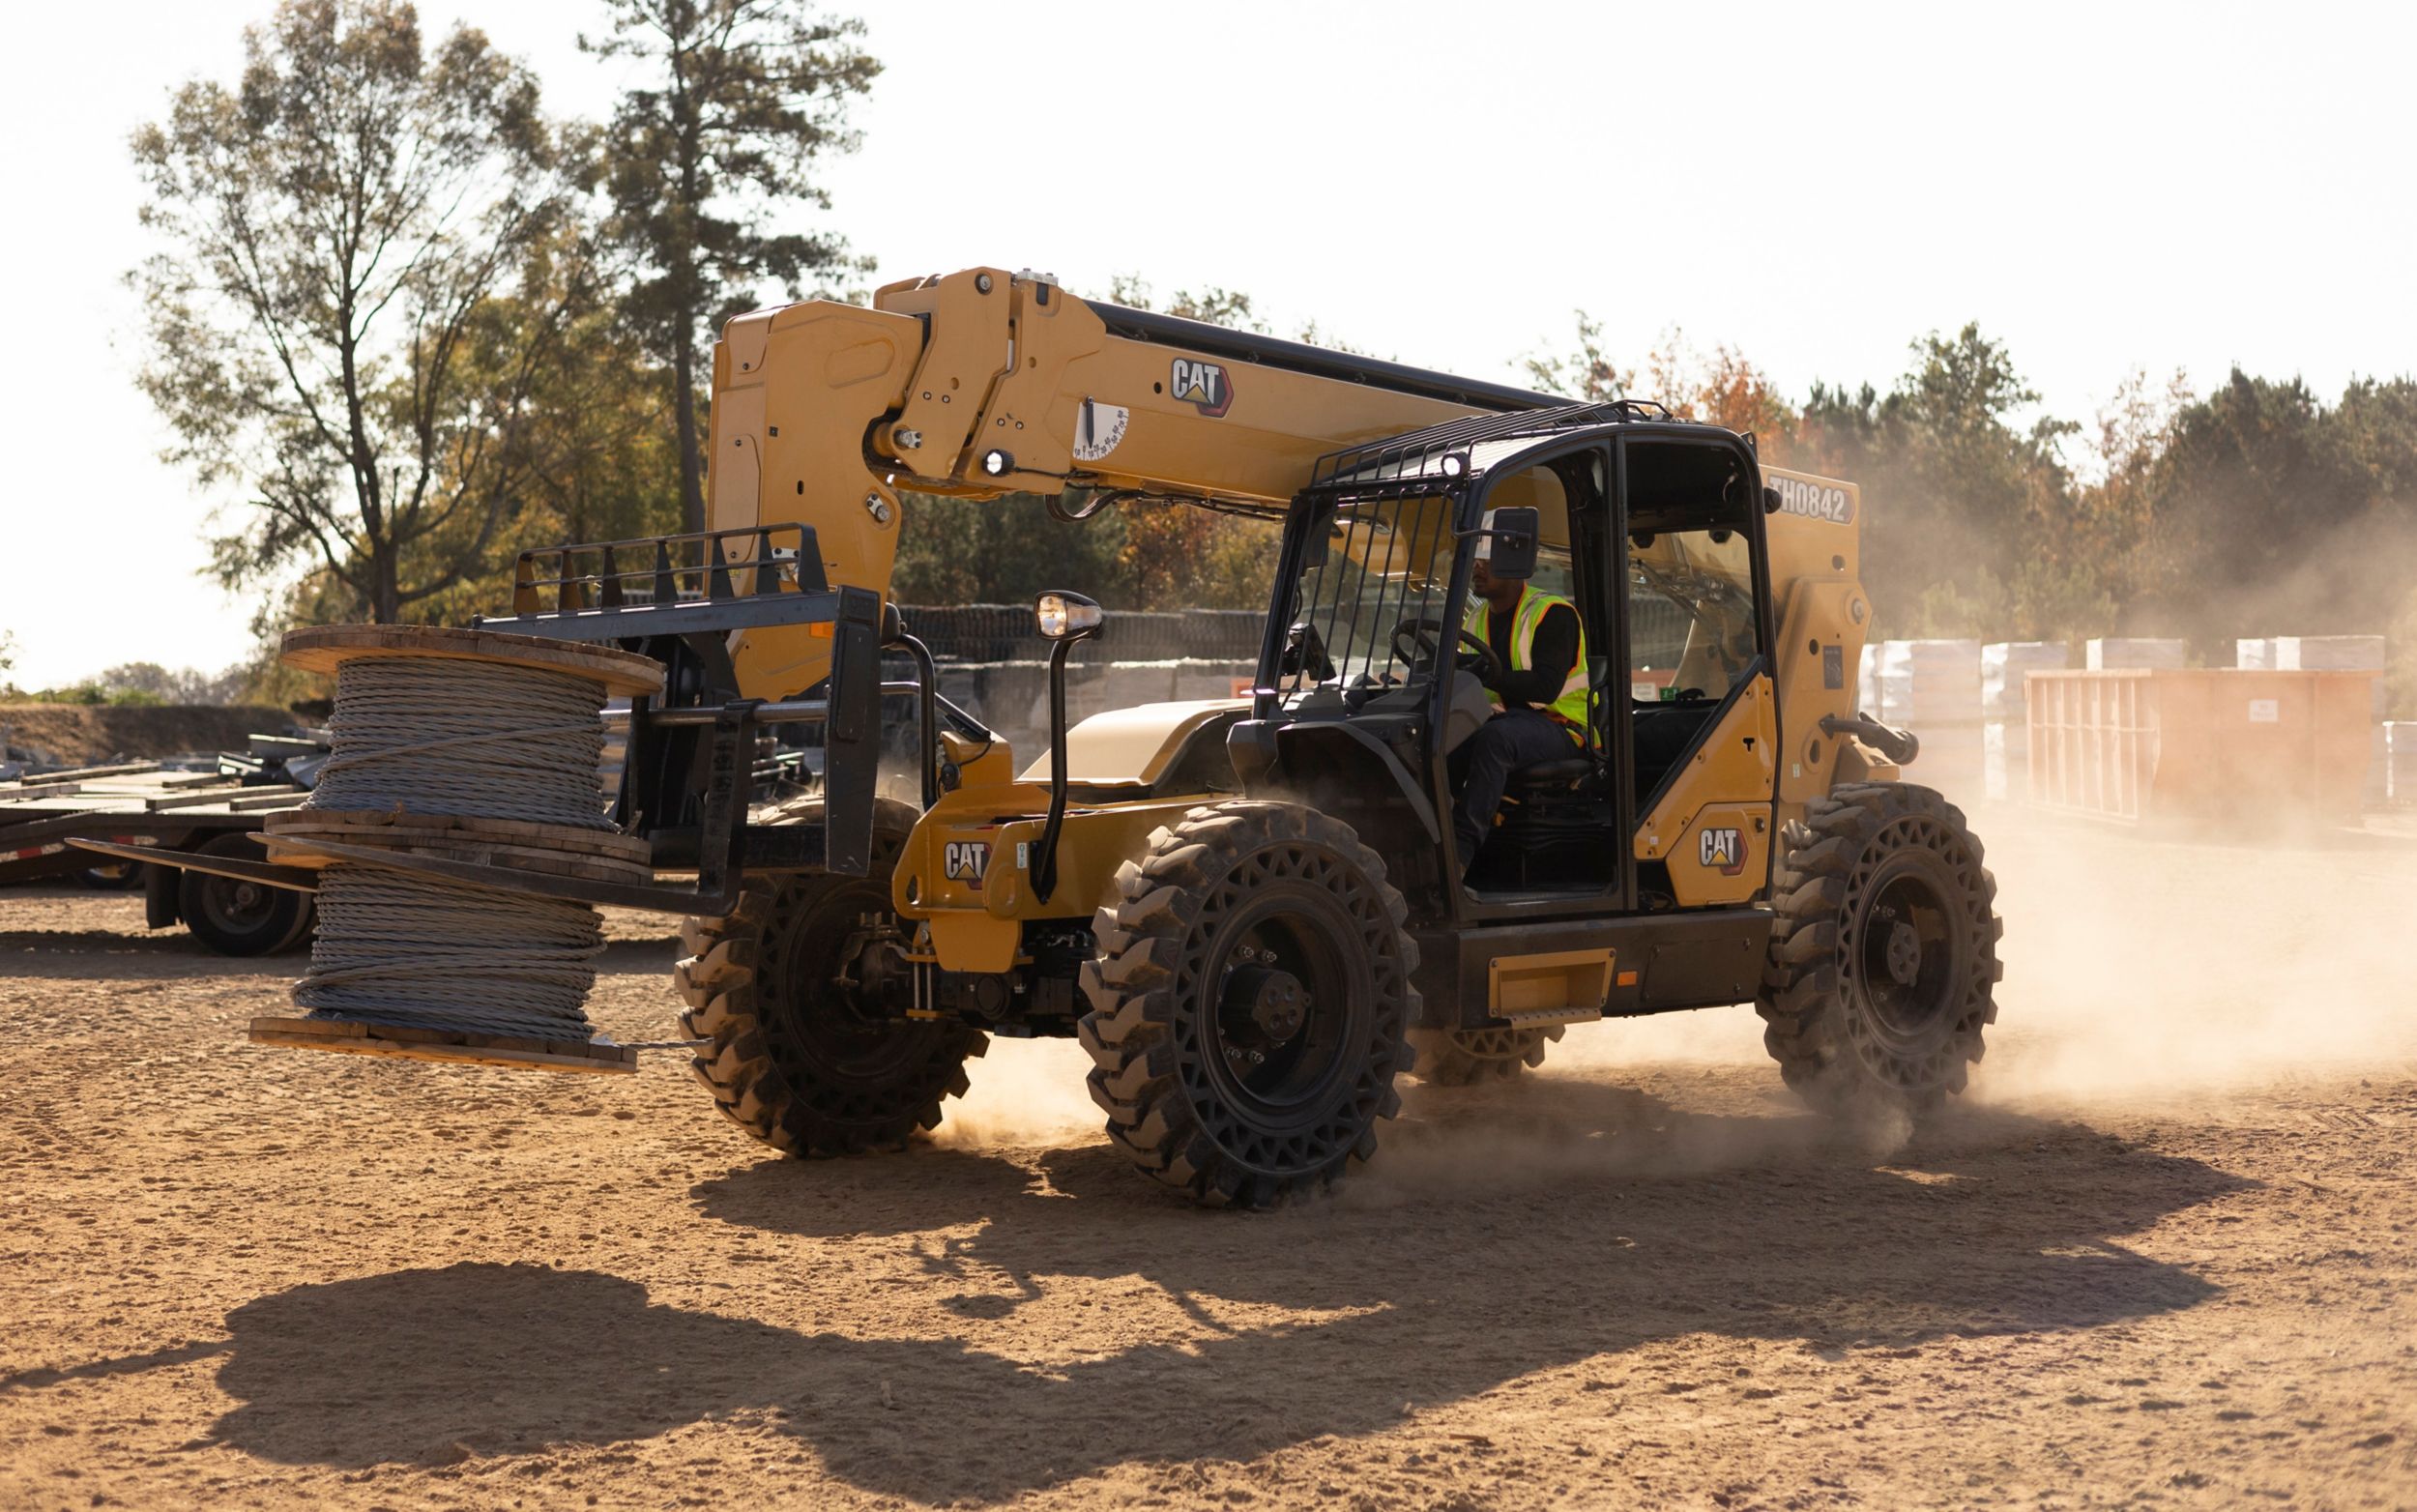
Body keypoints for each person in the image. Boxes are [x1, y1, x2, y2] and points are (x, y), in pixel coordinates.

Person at [1449, 511, 1590, 877]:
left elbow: (1545, 687)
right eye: (1474, 559)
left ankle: (1459, 855)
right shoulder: (1474, 621)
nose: (1476, 567)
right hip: (1506, 721)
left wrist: (1482, 671)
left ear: (1514, 562)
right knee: (1436, 740)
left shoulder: (1552, 614)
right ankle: (1427, 840)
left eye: (1486, 559)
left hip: (1561, 727)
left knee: (1496, 739)